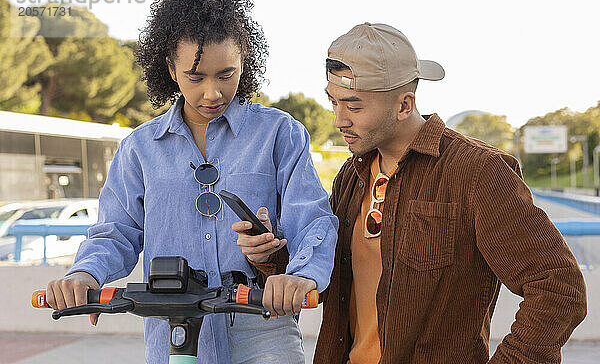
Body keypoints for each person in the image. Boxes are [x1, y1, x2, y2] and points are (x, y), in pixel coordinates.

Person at [245, 22, 587, 363]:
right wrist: (272, 258)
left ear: (405, 105)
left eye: (354, 106)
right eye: (333, 102)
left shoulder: (478, 172)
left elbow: (558, 287)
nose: (339, 120)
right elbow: (332, 285)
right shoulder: (353, 175)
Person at [44, 0, 338, 364]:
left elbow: (313, 219)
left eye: (226, 75)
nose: (211, 93)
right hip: (170, 334)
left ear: (244, 61)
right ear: (169, 68)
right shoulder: (139, 149)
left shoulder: (281, 133)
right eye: (194, 77)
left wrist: (299, 275)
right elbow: (116, 232)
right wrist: (85, 275)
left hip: (261, 329)